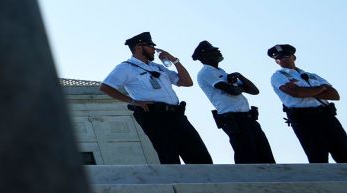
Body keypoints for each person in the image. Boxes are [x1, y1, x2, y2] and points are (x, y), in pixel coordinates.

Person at [100, 32, 212, 164]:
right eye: (150, 46)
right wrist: (133, 101)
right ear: (138, 47)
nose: (154, 50)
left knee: (200, 157)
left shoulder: (158, 67)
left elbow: (187, 82)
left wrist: (174, 60)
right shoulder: (126, 67)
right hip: (155, 116)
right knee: (169, 157)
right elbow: (106, 87)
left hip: (177, 114)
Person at [267, 44, 347, 163]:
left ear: (294, 57)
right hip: (304, 119)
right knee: (318, 157)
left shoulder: (312, 75)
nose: (282, 59)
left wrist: (305, 92)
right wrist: (321, 88)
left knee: (345, 154)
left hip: (327, 116)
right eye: (278, 58)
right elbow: (296, 93)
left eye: (285, 55)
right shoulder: (278, 76)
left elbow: (334, 95)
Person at [192, 40, 275, 164]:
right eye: (213, 50)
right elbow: (233, 91)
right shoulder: (206, 72)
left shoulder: (222, 72)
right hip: (234, 120)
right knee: (246, 156)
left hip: (248, 118)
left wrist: (239, 76)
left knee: (265, 155)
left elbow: (254, 91)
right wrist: (239, 88)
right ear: (204, 55)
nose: (218, 51)